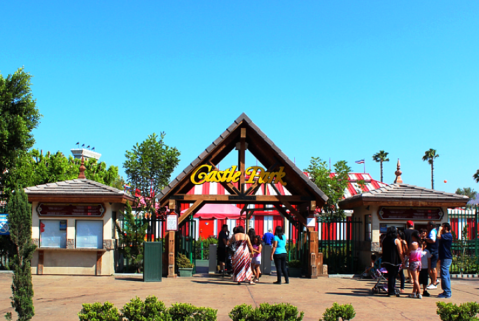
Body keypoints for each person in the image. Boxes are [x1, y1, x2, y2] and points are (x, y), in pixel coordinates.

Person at [381, 226, 404, 296]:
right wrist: (403, 261)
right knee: (393, 276)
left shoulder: (384, 240)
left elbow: (383, 250)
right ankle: (391, 291)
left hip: (386, 260)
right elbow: (400, 252)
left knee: (391, 275)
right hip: (394, 260)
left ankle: (391, 289)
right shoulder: (396, 240)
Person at [437, 222, 453, 298]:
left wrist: (440, 229)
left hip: (446, 257)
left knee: (444, 275)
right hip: (444, 257)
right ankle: (446, 291)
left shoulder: (448, 235)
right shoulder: (446, 235)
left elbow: (438, 236)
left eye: (443, 227)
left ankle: (447, 292)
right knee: (445, 275)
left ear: (446, 228)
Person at [408, 231, 424, 299]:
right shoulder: (420, 244)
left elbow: (408, 252)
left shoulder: (413, 244)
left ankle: (419, 293)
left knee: (415, 279)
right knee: (416, 278)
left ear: (413, 237)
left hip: (413, 262)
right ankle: (414, 293)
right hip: (419, 262)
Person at [426, 221, 439, 290]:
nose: (427, 226)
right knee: (433, 268)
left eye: (428, 225)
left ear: (431, 226)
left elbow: (433, 240)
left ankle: (434, 282)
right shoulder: (435, 231)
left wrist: (425, 239)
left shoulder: (432, 231)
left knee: (432, 268)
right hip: (434, 251)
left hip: (432, 252)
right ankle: (434, 281)